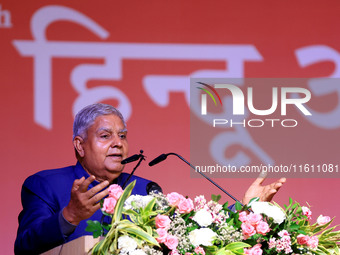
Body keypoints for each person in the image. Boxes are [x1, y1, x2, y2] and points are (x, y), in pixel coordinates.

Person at [14, 103, 286, 254]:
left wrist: (244, 208)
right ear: (80, 145)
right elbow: (24, 248)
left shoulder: (144, 188)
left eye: (122, 136)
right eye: (106, 136)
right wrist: (70, 216)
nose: (118, 144)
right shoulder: (45, 184)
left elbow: (187, 233)